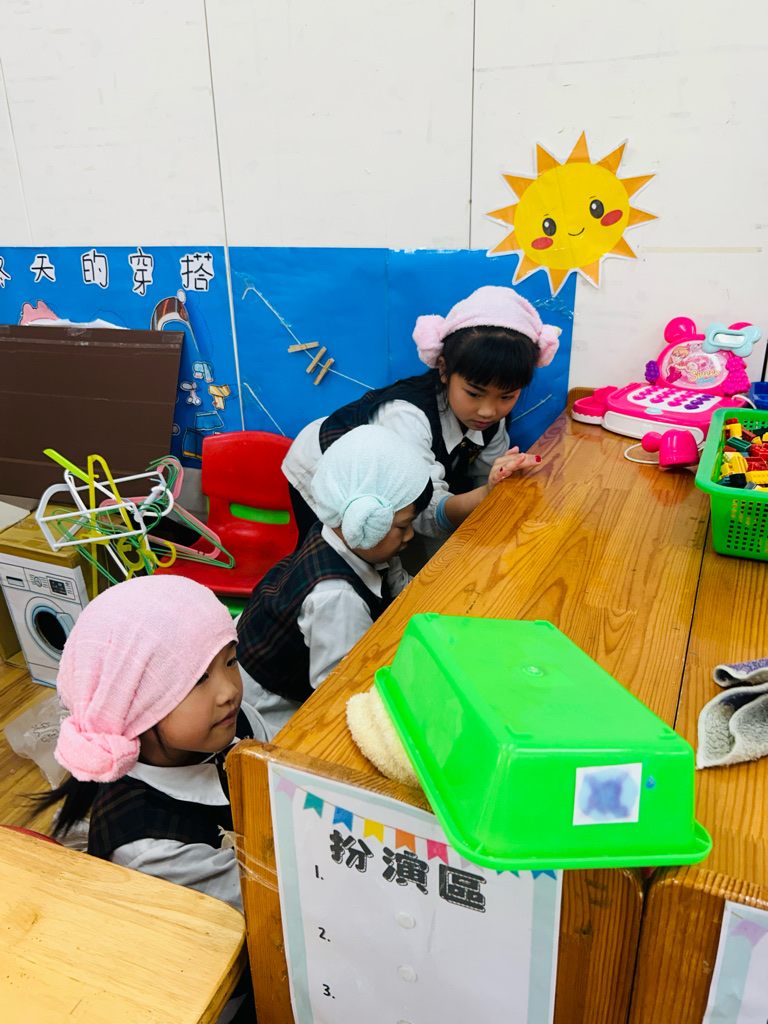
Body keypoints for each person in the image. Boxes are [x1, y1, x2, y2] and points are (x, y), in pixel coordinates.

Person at [29, 576, 266, 1021]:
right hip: (215, 984)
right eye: (198, 679)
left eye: (230, 661)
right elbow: (264, 905)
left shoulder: (229, 725)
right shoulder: (147, 842)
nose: (229, 690)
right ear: (133, 703)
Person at [282, 285, 559, 549]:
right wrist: (487, 492)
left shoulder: (489, 419)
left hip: (391, 480)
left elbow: (485, 477)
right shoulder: (406, 417)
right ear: (443, 370)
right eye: (474, 393)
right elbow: (424, 512)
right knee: (342, 551)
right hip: (317, 465)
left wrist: (497, 484)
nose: (489, 411)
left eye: (507, 396)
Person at [237, 425, 431, 709]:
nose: (410, 535)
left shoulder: (343, 537)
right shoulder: (338, 597)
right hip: (275, 703)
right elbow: (342, 688)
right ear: (362, 520)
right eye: (403, 526)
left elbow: (401, 588)